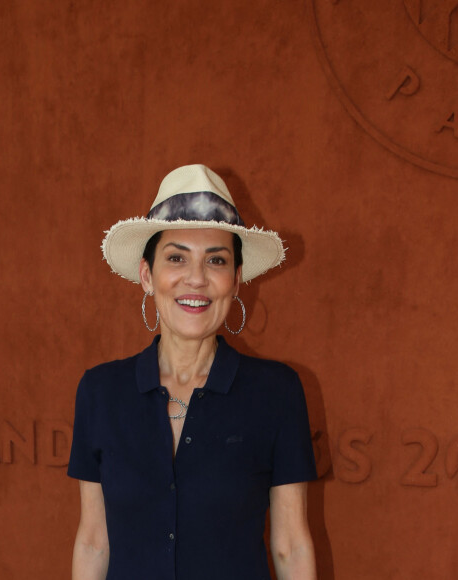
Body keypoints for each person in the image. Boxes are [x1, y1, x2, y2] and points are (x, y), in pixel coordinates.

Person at [68, 164, 317, 580]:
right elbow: (94, 541)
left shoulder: (276, 393)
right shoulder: (100, 392)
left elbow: (291, 545)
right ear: (148, 276)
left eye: (216, 260)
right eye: (176, 257)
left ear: (236, 280)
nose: (196, 279)